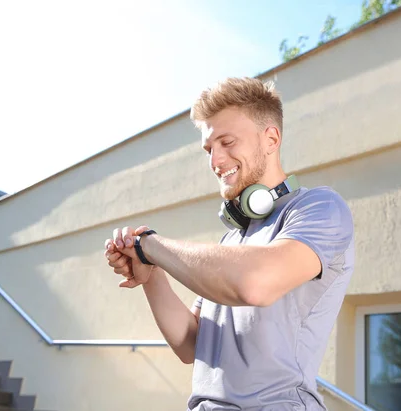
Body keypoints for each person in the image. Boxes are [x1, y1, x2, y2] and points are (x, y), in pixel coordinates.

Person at [104, 77, 354, 411]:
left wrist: (151, 245)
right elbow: (191, 343)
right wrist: (151, 273)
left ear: (270, 139)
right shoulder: (232, 240)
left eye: (227, 142)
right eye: (209, 149)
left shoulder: (318, 208)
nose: (215, 161)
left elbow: (255, 284)